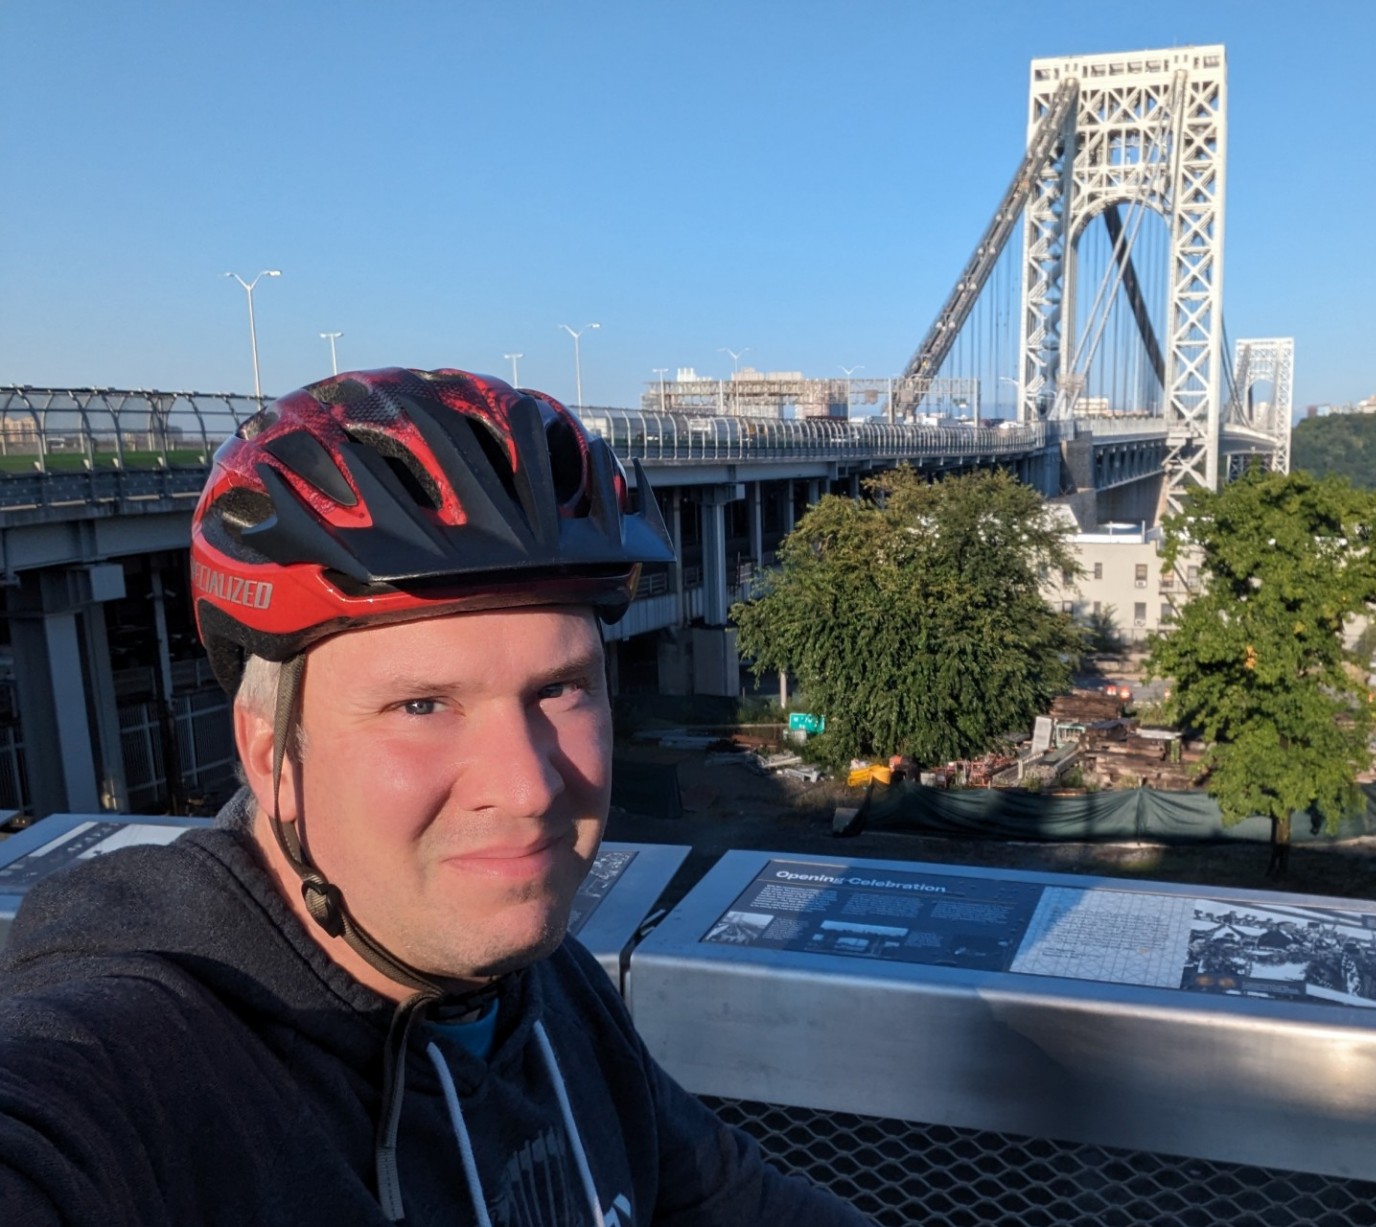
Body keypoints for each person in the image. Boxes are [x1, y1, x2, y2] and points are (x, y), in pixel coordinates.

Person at [0, 369, 871, 1226]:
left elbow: (730, 1196)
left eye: (561, 689)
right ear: (271, 755)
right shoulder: (144, 1061)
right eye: (421, 706)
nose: (528, 787)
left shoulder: (541, 986)